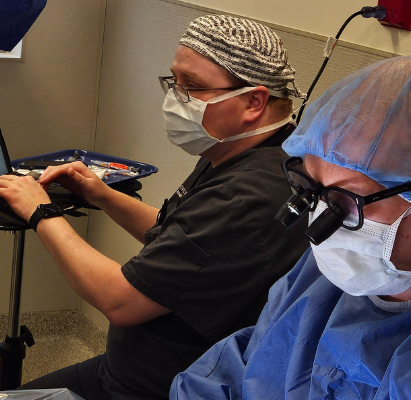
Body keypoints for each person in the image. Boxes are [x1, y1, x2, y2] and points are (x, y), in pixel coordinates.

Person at [0, 15, 310, 400]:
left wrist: (41, 212)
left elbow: (119, 299)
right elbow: (177, 235)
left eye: (192, 86)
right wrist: (101, 194)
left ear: (254, 102)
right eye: (174, 81)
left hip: (160, 389)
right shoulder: (246, 152)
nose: (175, 98)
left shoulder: (245, 197)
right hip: (125, 369)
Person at [170, 56, 411, 400]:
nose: (323, 218)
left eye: (347, 199)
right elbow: (243, 366)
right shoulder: (315, 278)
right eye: (312, 189)